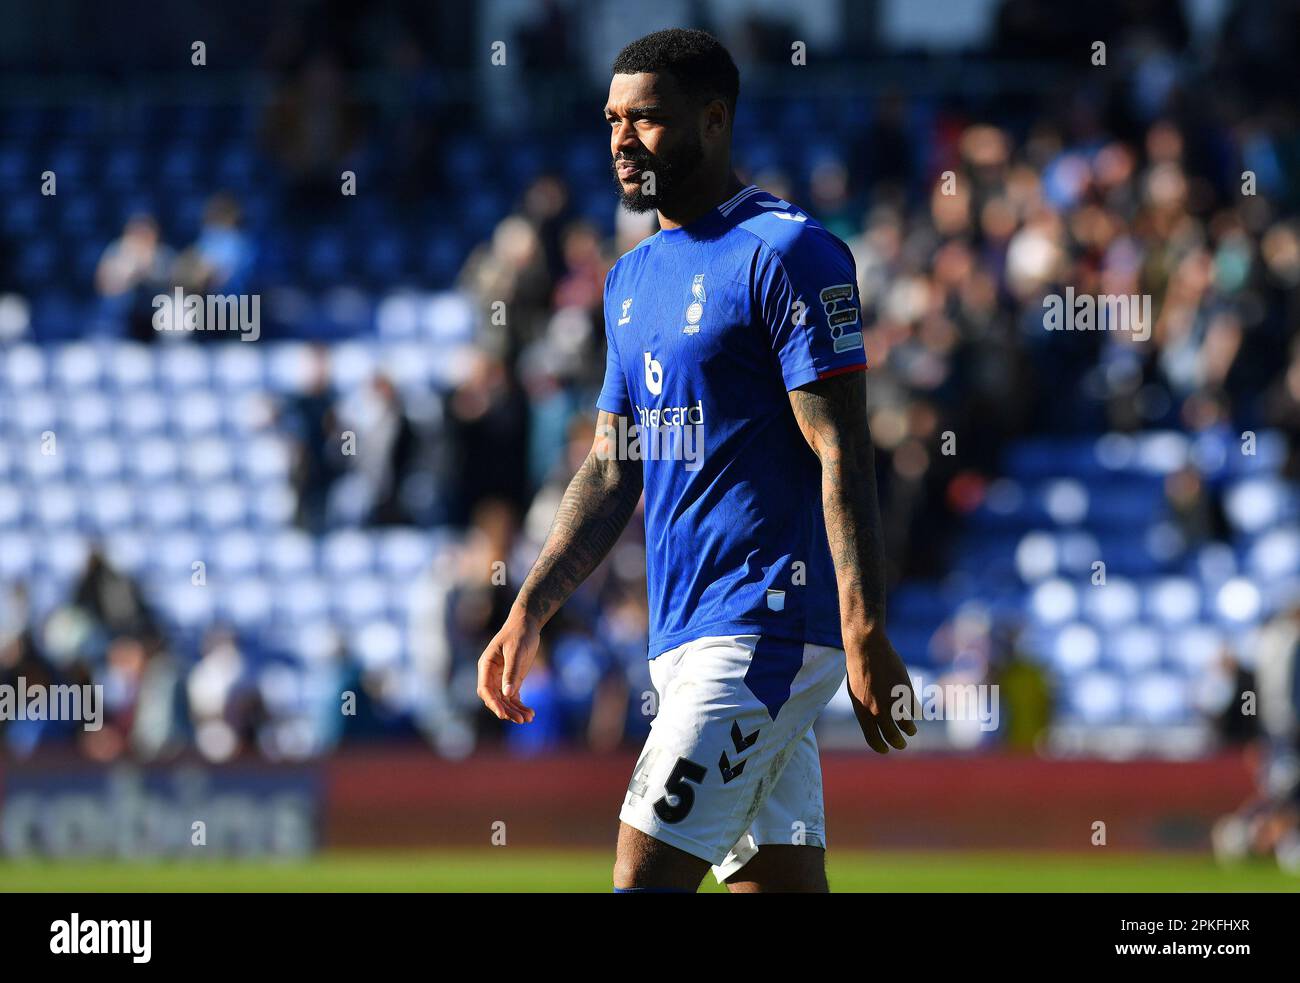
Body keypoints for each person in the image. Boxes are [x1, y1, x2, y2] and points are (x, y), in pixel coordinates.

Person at [476, 28, 917, 893]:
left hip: (765, 620)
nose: (621, 140)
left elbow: (843, 446)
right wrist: (529, 608)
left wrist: (864, 625)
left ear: (714, 122)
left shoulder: (789, 252)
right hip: (684, 629)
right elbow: (612, 468)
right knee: (777, 886)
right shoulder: (629, 280)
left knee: (642, 877)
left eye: (646, 119)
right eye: (612, 120)